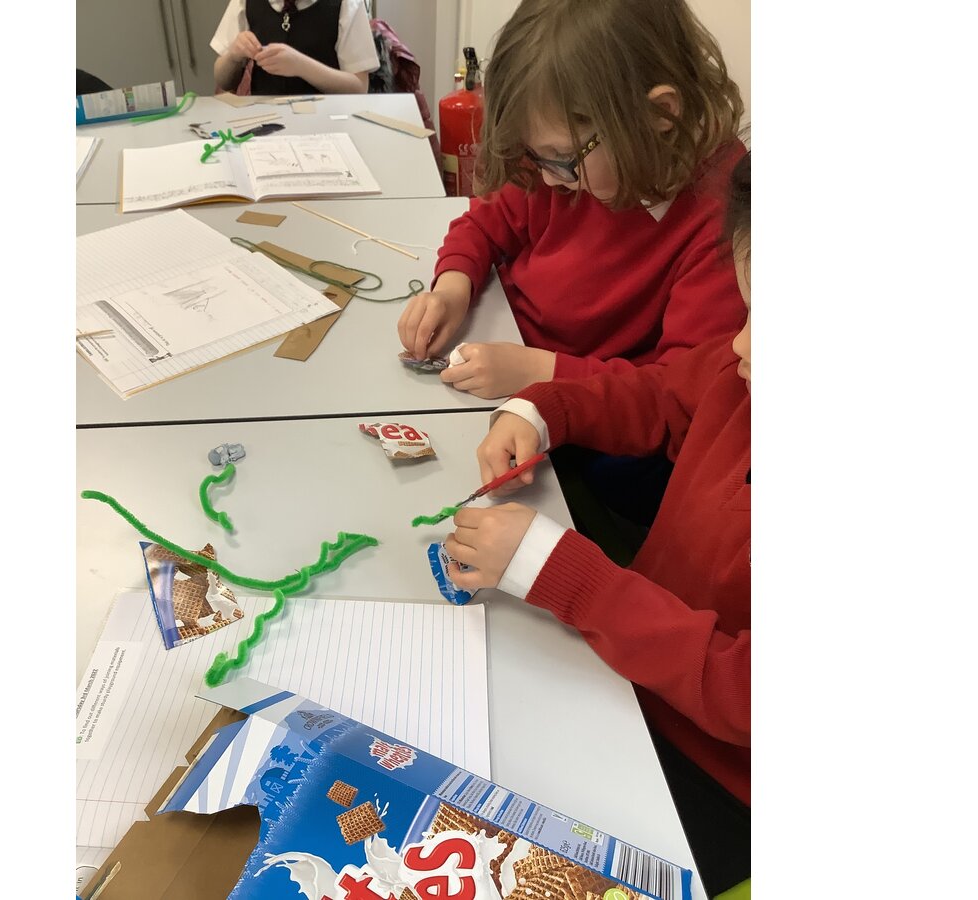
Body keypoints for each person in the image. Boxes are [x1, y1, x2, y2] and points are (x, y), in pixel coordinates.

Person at [444, 151, 751, 892]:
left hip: (717, 774)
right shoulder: (744, 375)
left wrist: (577, 583)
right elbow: (663, 395)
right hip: (630, 673)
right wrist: (545, 409)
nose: (742, 345)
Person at [396, 0, 745, 401]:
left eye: (561, 157)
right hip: (503, 342)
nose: (547, 178)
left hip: (587, 405)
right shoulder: (566, 143)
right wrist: (452, 289)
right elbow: (486, 221)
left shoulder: (724, 220)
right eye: (536, 155)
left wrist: (538, 372)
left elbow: (678, 391)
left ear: (659, 114)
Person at [210, 0, 379, 95]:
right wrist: (233, 55)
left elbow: (359, 87)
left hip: (326, 124)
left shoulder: (346, 4)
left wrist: (301, 66)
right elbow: (223, 81)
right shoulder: (244, 2)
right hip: (263, 124)